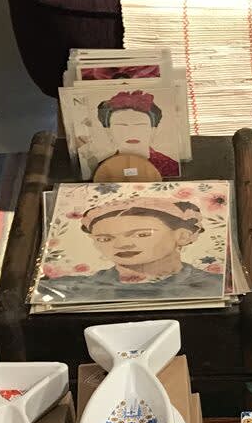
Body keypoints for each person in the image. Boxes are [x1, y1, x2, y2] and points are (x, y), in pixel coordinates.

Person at [44, 193, 221, 300]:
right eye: (105, 239)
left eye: (142, 234)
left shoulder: (215, 285)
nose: (122, 244)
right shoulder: (73, 289)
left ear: (183, 235)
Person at [90, 89, 181, 180]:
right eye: (122, 125)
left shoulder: (171, 166)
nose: (131, 132)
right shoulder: (102, 169)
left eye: (140, 125)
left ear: (153, 130)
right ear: (108, 131)